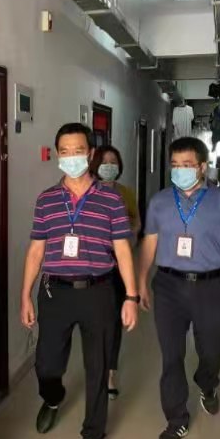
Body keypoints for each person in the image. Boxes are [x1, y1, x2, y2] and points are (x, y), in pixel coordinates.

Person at [20, 123, 139, 439]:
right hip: (55, 291)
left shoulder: (111, 199)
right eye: (65, 151)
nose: (72, 157)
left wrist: (131, 296)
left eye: (78, 150)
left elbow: (122, 250)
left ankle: (92, 436)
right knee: (47, 364)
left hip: (99, 291)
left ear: (90, 153)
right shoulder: (46, 200)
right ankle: (52, 397)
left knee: (97, 367)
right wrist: (25, 295)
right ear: (58, 155)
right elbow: (35, 251)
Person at [138, 136, 220, 439]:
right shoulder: (159, 202)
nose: (180, 170)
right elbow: (149, 243)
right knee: (171, 355)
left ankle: (207, 383)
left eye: (186, 165)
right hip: (168, 286)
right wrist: (141, 280)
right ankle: (176, 419)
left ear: (202, 166)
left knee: (211, 350)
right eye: (175, 165)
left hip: (210, 286)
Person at [91, 145, 141, 399]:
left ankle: (110, 371)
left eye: (114, 162)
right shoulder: (86, 192)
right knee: (95, 321)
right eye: (104, 161)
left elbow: (136, 221)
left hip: (118, 266)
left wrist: (126, 236)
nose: (109, 166)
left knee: (113, 321)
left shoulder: (125, 193)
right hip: (92, 268)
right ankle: (96, 368)